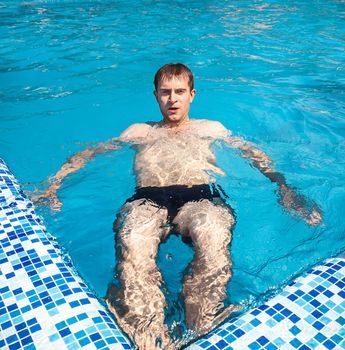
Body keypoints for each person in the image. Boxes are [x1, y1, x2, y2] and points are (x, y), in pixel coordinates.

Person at [32, 63, 322, 349]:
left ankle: (203, 329)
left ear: (192, 94)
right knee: (132, 246)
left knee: (214, 239)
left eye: (179, 91)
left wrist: (283, 187)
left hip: (200, 198)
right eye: (165, 92)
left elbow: (252, 154)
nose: (173, 99)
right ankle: (149, 337)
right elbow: (90, 153)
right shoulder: (139, 132)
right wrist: (53, 184)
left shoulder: (211, 128)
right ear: (155, 95)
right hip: (148, 199)